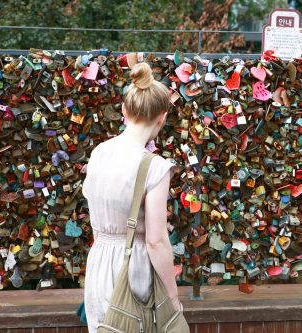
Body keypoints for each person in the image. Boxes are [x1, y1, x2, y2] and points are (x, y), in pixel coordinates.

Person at [82, 62, 183, 332]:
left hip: (99, 264)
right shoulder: (155, 167)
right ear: (162, 117)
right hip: (133, 269)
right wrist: (173, 297)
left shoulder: (99, 153)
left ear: (125, 111)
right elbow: (156, 240)